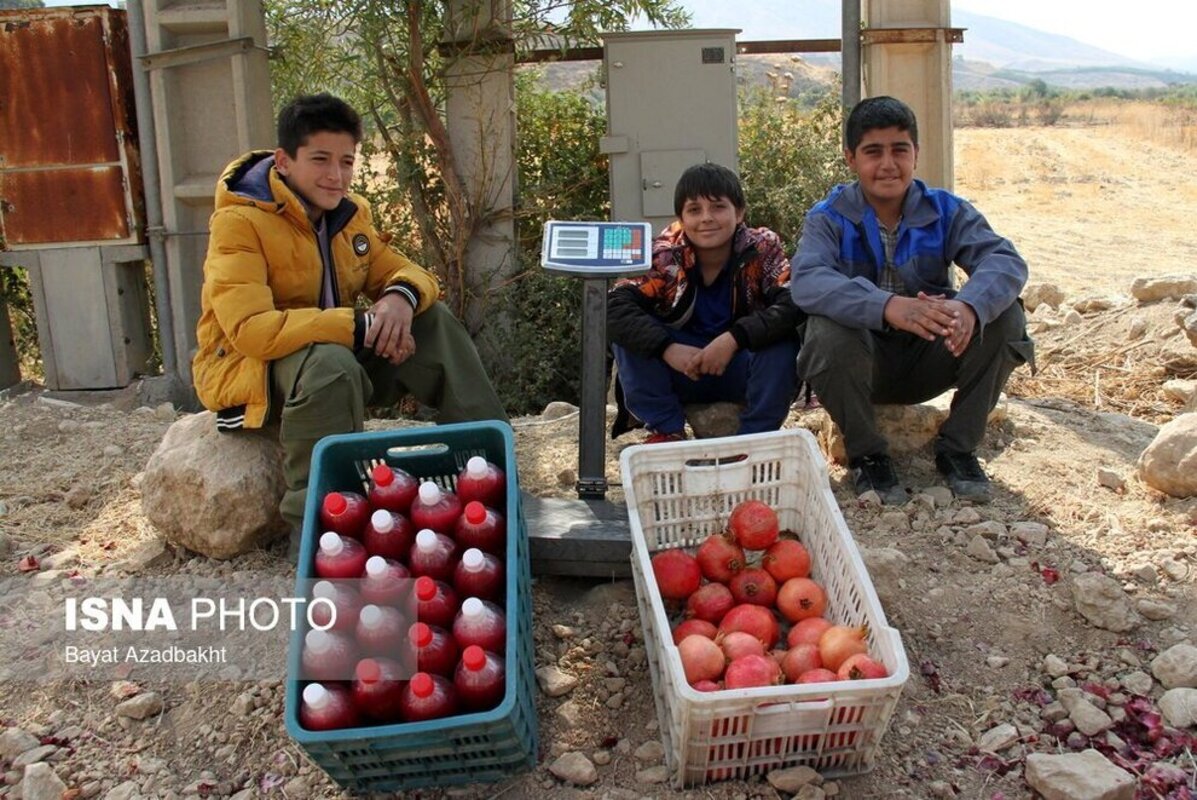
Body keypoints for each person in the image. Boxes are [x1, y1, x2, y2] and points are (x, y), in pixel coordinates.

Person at [192, 93, 507, 551]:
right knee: (329, 363)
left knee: (430, 320)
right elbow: (252, 330)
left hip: (331, 360)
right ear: (283, 161)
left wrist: (399, 298)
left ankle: (490, 474)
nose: (335, 176)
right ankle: (320, 524)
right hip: (251, 371)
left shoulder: (349, 215)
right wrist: (359, 327)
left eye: (346, 161)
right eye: (320, 160)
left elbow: (407, 272)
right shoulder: (240, 223)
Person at [792, 96, 1033, 504]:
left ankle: (958, 451)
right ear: (851, 158)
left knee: (1006, 316)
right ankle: (868, 456)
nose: (888, 164)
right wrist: (888, 307)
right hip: (862, 365)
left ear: (916, 154)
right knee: (825, 331)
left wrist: (968, 306)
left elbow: (1004, 261)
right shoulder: (828, 217)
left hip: (932, 358)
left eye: (899, 150)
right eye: (873, 152)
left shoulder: (947, 211)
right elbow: (808, 280)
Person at [608, 163, 801, 442]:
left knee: (783, 340)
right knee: (631, 333)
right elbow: (615, 306)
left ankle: (755, 437)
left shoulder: (761, 249)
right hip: (680, 371)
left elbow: (793, 300)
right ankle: (666, 430)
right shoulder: (664, 255)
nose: (706, 218)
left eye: (718, 207)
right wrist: (667, 348)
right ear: (681, 218)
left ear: (740, 213)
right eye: (694, 210)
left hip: (741, 368)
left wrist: (734, 339)